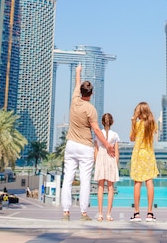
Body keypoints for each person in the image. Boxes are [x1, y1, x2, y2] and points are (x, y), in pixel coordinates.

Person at [61, 64, 115, 221]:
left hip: (71, 145)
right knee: (85, 180)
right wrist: (108, 145)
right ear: (91, 93)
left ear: (81, 92)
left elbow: (77, 85)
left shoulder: (74, 99)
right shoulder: (91, 109)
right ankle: (83, 213)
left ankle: (66, 211)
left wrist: (78, 72)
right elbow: (97, 131)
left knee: (68, 178)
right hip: (85, 147)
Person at [129, 101, 159, 222]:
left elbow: (132, 138)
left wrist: (133, 122)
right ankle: (150, 213)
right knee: (149, 182)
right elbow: (154, 135)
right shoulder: (152, 124)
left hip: (138, 154)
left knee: (137, 183)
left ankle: (136, 213)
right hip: (148, 154)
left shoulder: (137, 124)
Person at [93, 112, 120, 221]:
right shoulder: (115, 135)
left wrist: (96, 162)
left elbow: (96, 150)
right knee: (110, 188)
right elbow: (117, 152)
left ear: (102, 122)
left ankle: (100, 214)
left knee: (100, 187)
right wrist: (115, 163)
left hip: (101, 158)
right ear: (112, 122)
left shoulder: (98, 134)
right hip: (111, 159)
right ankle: (108, 214)